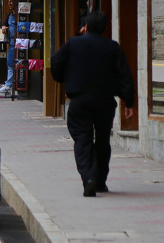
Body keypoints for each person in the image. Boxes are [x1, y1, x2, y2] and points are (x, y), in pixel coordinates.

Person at [51, 11, 135, 197]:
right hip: (105, 101)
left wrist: (64, 78)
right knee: (103, 139)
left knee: (82, 138)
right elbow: (124, 75)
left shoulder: (73, 43)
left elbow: (55, 63)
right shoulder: (112, 47)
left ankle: (88, 177)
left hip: (79, 100)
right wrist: (128, 101)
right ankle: (100, 181)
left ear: (86, 27)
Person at [0, 0, 18, 95]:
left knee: (12, 64)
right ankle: (10, 84)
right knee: (10, 63)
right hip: (12, 43)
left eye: (11, 1)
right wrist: (4, 27)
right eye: (9, 1)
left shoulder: (19, 15)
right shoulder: (10, 15)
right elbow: (4, 24)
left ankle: (9, 85)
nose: (9, 3)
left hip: (19, 42)